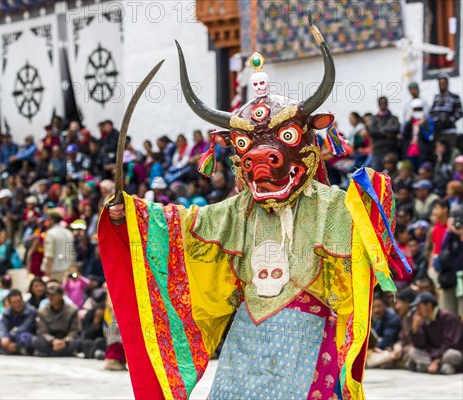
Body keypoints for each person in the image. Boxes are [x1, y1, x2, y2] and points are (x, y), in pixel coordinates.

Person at [100, 34, 411, 398]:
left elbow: (371, 248)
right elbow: (181, 225)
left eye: (287, 136)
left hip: (310, 334)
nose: (262, 159)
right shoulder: (237, 210)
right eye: (245, 146)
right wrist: (130, 215)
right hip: (248, 334)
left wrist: (374, 200)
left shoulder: (331, 205)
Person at [408, 292, 463, 374]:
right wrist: (415, 329)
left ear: (429, 305)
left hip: (447, 353)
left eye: (419, 307)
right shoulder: (424, 321)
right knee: (413, 351)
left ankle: (432, 366)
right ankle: (442, 368)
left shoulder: (447, 317)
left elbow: (451, 343)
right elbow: (421, 345)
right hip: (433, 355)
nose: (417, 310)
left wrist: (436, 360)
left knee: (452, 354)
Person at [33, 281, 81, 357]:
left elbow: (74, 330)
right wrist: (53, 341)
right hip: (50, 340)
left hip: (66, 338)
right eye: (49, 295)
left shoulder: (72, 309)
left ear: (61, 295)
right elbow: (42, 331)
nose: (51, 297)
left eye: (54, 295)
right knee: (36, 340)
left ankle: (51, 353)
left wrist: (65, 341)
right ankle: (59, 352)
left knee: (79, 341)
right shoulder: (42, 311)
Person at [0, 290, 36, 355]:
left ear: (22, 300)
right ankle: (9, 347)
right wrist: (4, 337)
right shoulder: (6, 313)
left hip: (22, 335)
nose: (17, 305)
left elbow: (26, 327)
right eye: (14, 302)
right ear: (10, 303)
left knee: (25, 337)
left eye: (19, 301)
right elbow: (3, 327)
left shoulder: (31, 311)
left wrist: (12, 333)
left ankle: (16, 348)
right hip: (9, 337)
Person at [42, 209, 76, 281]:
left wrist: (47, 275)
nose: (46, 221)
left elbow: (49, 256)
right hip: (67, 269)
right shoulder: (68, 232)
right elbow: (71, 253)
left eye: (48, 219)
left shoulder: (51, 233)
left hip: (53, 270)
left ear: (52, 220)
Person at [368, 96, 400, 171]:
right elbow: (372, 131)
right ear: (378, 104)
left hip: (391, 150)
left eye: (384, 103)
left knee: (393, 173)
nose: (383, 105)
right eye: (381, 103)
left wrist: (381, 129)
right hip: (378, 151)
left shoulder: (393, 118)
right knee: (376, 174)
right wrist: (386, 133)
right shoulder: (374, 118)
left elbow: (396, 128)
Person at [430, 74, 462, 146]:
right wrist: (436, 121)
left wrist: (449, 120)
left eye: (443, 83)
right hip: (438, 132)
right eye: (440, 83)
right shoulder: (436, 98)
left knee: (450, 152)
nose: (441, 85)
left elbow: (460, 112)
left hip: (450, 132)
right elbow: (432, 112)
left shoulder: (454, 97)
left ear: (447, 84)